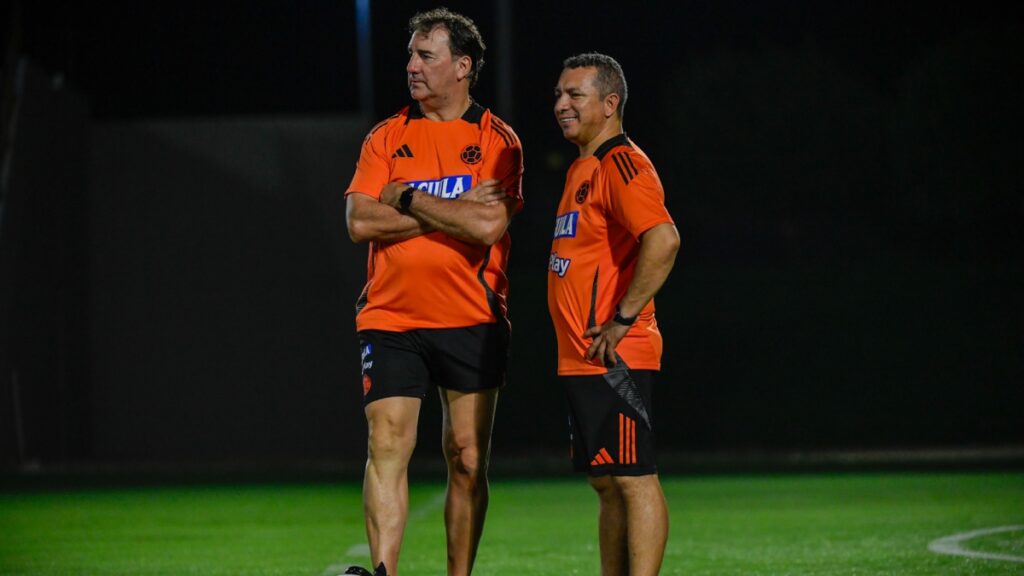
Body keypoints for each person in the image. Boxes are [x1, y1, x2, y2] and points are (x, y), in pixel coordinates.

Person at [342, 8, 523, 576]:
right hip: (391, 316)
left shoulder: (497, 140)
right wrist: (454, 211)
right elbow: (359, 222)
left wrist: (408, 199)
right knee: (386, 442)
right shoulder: (386, 137)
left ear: (463, 66)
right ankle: (382, 571)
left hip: (471, 317)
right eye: (411, 56)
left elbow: (489, 227)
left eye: (427, 56)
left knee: (467, 458)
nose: (411, 67)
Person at [548, 53, 680, 576]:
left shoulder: (621, 163)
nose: (561, 104)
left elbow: (664, 239)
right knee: (606, 481)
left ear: (610, 103)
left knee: (633, 476)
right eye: (558, 94)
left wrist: (624, 317)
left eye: (574, 95)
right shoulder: (583, 164)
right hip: (583, 356)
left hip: (616, 355)